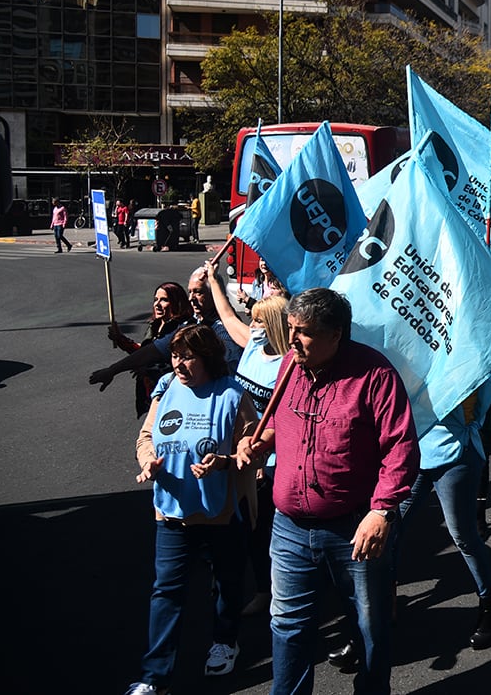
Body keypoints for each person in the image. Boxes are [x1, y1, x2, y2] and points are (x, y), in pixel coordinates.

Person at [236, 288, 417, 695]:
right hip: (289, 529)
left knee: (369, 626)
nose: (293, 339)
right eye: (291, 329)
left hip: (354, 529)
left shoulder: (375, 376)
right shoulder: (290, 366)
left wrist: (383, 510)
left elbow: (400, 448)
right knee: (287, 625)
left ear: (336, 334)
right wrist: (260, 442)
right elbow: (282, 428)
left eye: (304, 332)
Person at [124, 325, 258, 695]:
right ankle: (154, 678)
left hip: (221, 513)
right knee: (166, 592)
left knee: (227, 583)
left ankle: (225, 642)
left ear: (207, 358)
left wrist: (227, 460)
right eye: (175, 356)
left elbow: (253, 443)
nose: (179, 364)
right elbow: (146, 435)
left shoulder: (231, 394)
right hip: (171, 512)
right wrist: (148, 460)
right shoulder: (165, 388)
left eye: (188, 357)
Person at [206, 260, 290, 613]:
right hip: (238, 452)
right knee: (235, 521)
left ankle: (270, 592)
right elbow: (227, 318)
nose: (251, 324)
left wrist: (260, 458)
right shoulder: (255, 344)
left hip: (269, 461)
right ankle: (231, 583)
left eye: (258, 319)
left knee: (261, 530)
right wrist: (214, 281)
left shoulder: (290, 366)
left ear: (273, 325)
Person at [394, 378, 491, 651]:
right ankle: (379, 605)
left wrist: (468, 429)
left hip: (456, 453)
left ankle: (489, 603)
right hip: (415, 449)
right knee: (390, 528)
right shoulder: (417, 348)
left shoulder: (470, 355)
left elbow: (483, 401)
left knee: (463, 536)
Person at [90, 268, 245, 396]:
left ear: (215, 295)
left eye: (198, 292)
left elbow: (222, 368)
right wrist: (113, 370)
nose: (191, 298)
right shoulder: (190, 324)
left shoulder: (225, 330)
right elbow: (152, 351)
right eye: (189, 292)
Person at [107, 282, 195, 416]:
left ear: (177, 302)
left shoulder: (181, 330)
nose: (157, 304)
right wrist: (120, 339)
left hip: (173, 396)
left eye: (164, 300)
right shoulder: (156, 324)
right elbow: (144, 351)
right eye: (156, 300)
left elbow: (158, 356)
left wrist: (145, 368)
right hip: (152, 395)